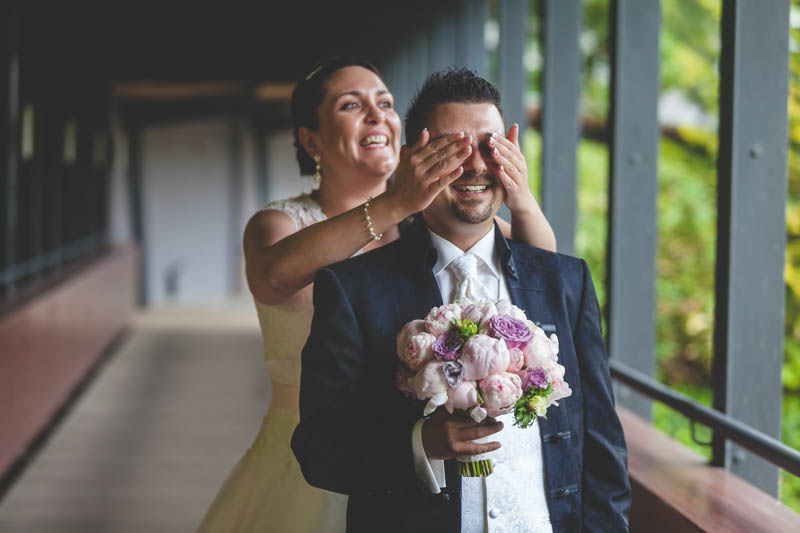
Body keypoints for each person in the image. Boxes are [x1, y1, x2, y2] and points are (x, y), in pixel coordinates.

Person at [197, 57, 556, 533]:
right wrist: (396, 203)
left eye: (385, 103)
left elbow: (544, 275)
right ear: (312, 141)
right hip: (313, 452)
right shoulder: (280, 223)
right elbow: (274, 279)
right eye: (352, 105)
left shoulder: (431, 221)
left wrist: (520, 194)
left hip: (411, 448)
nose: (376, 115)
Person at [292, 68, 631, 533]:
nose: (475, 166)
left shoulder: (564, 280)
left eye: (489, 147)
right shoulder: (353, 290)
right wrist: (420, 443)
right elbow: (318, 449)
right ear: (412, 159)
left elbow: (602, 442)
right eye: (453, 149)